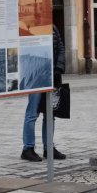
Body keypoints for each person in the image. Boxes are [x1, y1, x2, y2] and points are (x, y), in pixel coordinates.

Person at [21, 25, 66, 162]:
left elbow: (61, 48)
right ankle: (28, 148)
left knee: (50, 114)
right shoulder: (29, 27)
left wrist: (59, 68)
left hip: (52, 75)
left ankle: (48, 148)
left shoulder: (52, 27)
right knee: (32, 113)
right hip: (35, 76)